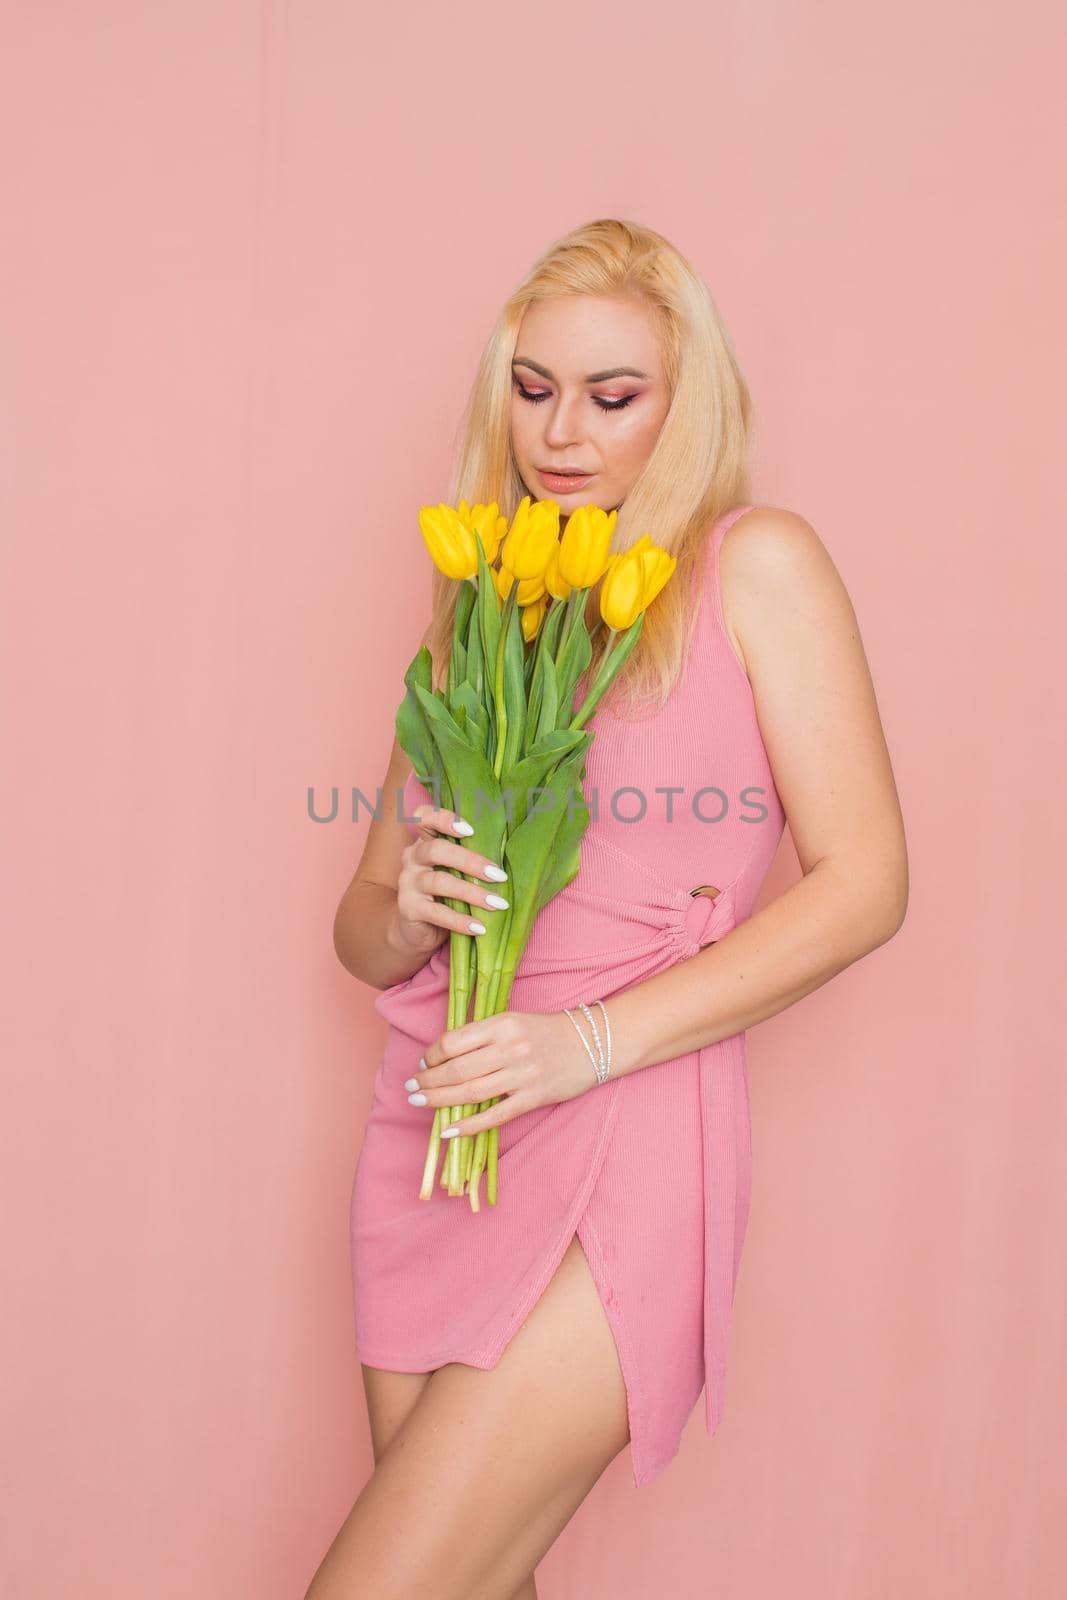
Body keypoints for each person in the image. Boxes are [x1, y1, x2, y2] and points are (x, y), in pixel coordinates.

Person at [306, 217, 908, 1599]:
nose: (560, 434)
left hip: (619, 1122)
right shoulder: (485, 598)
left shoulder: (757, 564)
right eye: (533, 388)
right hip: (437, 1127)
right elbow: (358, 928)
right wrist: (409, 902)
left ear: (686, 403)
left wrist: (583, 1046)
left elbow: (870, 880)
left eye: (612, 396)